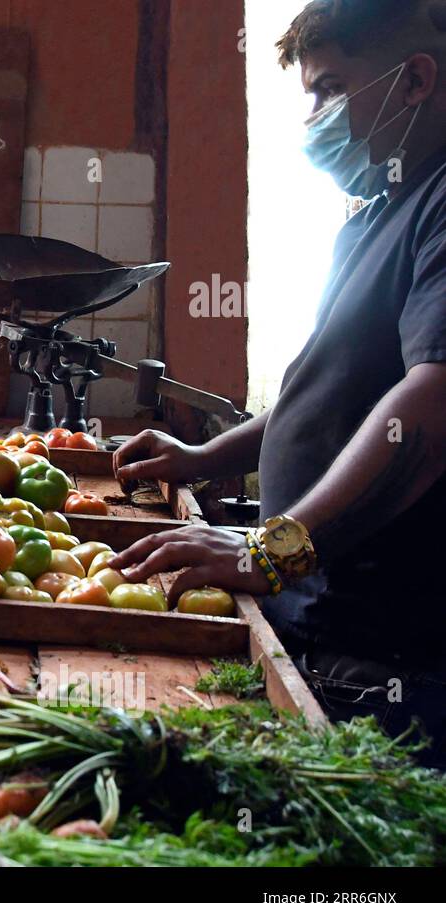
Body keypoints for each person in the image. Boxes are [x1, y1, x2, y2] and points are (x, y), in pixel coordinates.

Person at [110, 0, 446, 764]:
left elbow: (427, 418)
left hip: (390, 660)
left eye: (330, 90)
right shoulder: (375, 212)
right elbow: (325, 393)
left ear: (416, 80)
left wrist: (270, 554)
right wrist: (204, 459)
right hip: (320, 625)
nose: (316, 119)